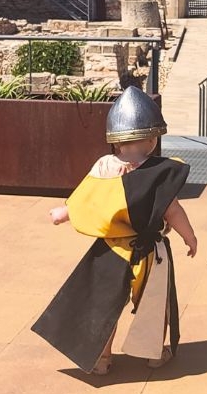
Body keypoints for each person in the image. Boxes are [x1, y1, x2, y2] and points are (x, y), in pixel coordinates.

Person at [33, 85, 198, 375]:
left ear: (116, 142)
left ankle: (101, 359)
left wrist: (63, 213)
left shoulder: (104, 166)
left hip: (111, 251)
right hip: (150, 254)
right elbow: (173, 210)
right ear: (151, 140)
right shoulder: (159, 172)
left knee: (104, 306)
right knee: (153, 305)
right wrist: (189, 236)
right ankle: (155, 354)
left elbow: (88, 199)